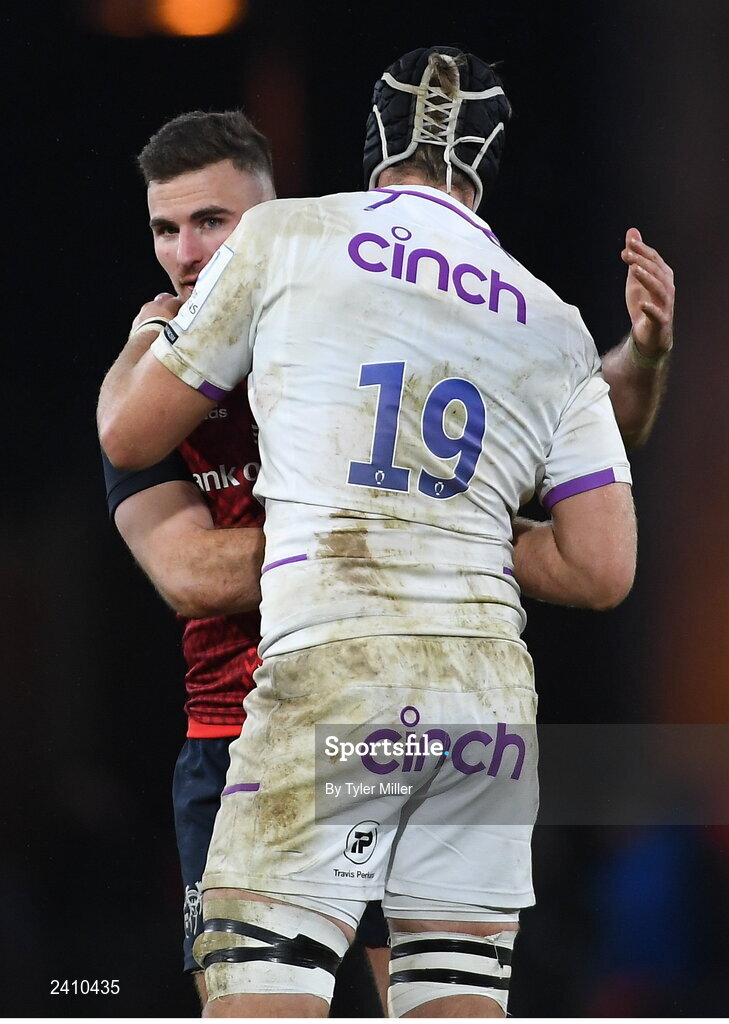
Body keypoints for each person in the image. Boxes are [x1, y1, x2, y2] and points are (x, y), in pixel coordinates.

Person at [99, 46, 673, 1017]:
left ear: (371, 143)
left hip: (333, 673)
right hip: (482, 712)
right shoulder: (550, 317)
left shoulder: (288, 237)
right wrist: (452, 533)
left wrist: (148, 338)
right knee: (449, 1000)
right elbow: (602, 563)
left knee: (261, 1000)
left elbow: (131, 431)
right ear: (485, 165)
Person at [101, 110, 389, 1014]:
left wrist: (647, 355)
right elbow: (188, 576)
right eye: (164, 228)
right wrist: (364, 539)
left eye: (211, 221)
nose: (185, 252)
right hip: (228, 741)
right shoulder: (140, 394)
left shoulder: (365, 345)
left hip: (386, 726)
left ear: (276, 217)